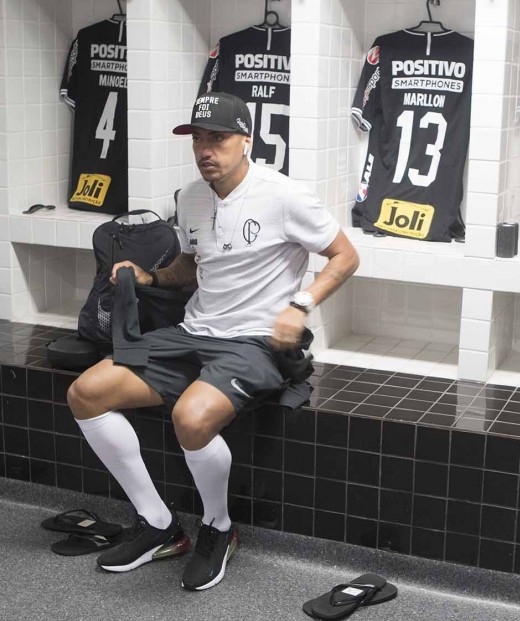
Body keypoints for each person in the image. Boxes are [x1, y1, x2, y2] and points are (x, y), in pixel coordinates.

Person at [66, 92, 358, 591]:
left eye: (217, 139)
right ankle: (159, 524)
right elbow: (191, 264)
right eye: (198, 139)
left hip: (254, 342)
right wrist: (151, 277)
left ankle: (218, 528)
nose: (206, 150)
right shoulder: (191, 196)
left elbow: (345, 256)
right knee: (86, 394)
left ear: (246, 141)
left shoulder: (285, 195)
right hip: (191, 333)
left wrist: (300, 305)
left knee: (192, 417)